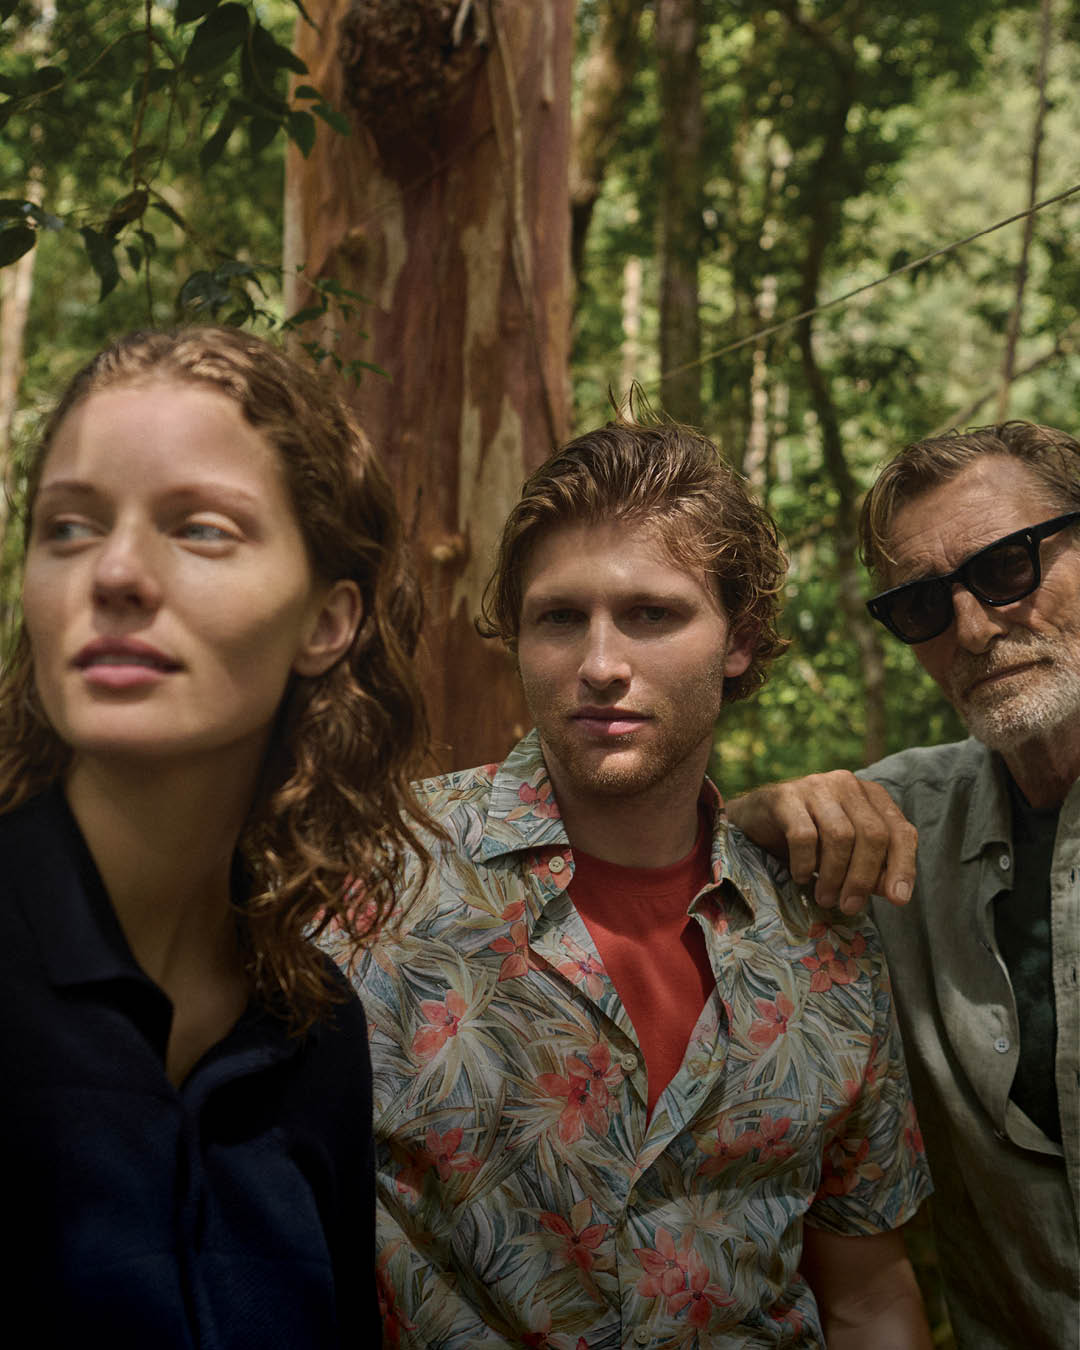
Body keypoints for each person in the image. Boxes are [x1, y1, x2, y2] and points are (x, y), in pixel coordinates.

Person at [325, 415, 934, 1348]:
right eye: (559, 618)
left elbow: (866, 1292)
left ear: (740, 639)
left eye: (653, 614)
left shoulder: (825, 934)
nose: (601, 665)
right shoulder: (375, 876)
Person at [0, 326, 431, 1347]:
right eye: (67, 528)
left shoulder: (317, 1032)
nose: (115, 573)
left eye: (200, 529)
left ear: (328, 622)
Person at [727, 421, 1080, 1349]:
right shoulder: (902, 818)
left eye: (1010, 567)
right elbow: (682, 858)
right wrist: (762, 810)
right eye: (924, 604)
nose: (972, 628)